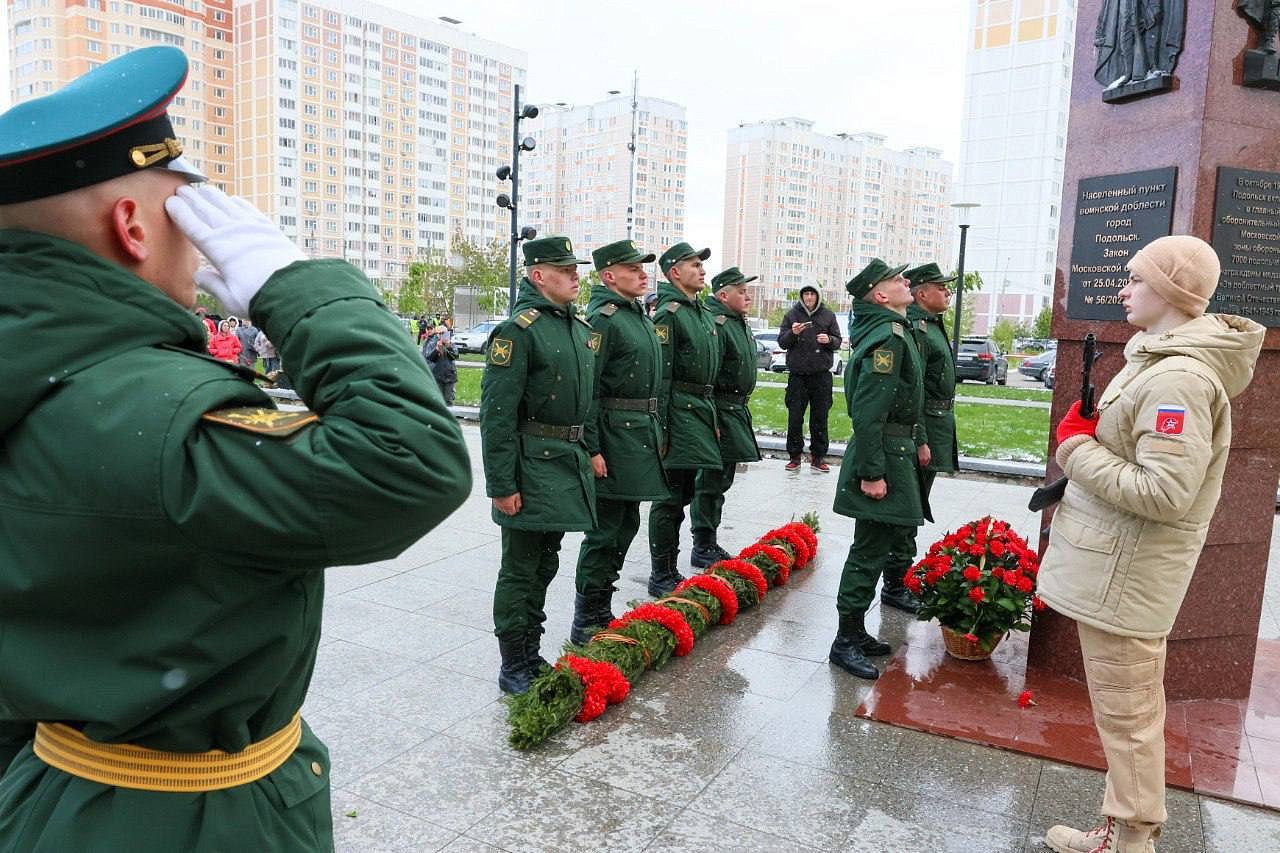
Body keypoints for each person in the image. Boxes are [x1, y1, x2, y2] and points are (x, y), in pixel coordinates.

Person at [0, 46, 471, 852]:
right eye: (190, 212)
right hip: (179, 819)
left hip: (49, 785)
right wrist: (296, 286)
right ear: (134, 225)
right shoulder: (148, 408)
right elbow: (411, 460)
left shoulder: (31, 372)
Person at [1039, 236, 1262, 853]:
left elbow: (1164, 493)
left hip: (1127, 577)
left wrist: (1077, 449)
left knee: (1129, 717)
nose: (1122, 289)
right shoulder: (1157, 363)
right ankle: (1123, 830)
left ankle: (1131, 840)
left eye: (1135, 279)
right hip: (1120, 570)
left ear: (1171, 291)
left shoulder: (1179, 382)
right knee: (1127, 713)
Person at [480, 235, 596, 694]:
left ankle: (532, 653)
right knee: (520, 567)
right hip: (530, 466)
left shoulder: (574, 327)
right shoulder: (519, 331)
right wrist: (501, 484)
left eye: (575, 269)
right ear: (538, 276)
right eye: (565, 270)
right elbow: (497, 415)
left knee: (546, 562)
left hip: (565, 463)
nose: (574, 277)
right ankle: (513, 663)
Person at [829, 259, 930, 680]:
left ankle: (856, 632)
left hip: (896, 450)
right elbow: (869, 415)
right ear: (880, 295)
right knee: (868, 550)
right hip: (882, 455)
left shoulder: (895, 331)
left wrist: (919, 437)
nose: (907, 282)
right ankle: (845, 640)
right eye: (897, 279)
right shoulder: (885, 340)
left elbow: (907, 398)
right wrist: (872, 472)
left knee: (877, 544)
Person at [570, 239, 669, 644]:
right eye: (634, 268)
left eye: (644, 268)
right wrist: (592, 447)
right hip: (612, 435)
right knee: (606, 526)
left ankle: (602, 605)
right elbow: (589, 390)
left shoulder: (636, 316)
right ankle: (586, 617)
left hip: (637, 434)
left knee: (626, 521)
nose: (644, 273)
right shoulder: (605, 319)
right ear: (609, 276)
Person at [649, 241, 721, 594]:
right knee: (670, 497)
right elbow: (661, 377)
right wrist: (661, 430)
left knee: (684, 492)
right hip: (677, 413)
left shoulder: (699, 311)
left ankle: (670, 568)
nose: (702, 269)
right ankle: (661, 572)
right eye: (694, 264)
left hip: (697, 412)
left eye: (701, 264)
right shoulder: (670, 314)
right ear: (674, 272)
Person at [891, 261, 959, 615]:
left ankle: (898, 577)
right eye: (941, 287)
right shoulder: (916, 327)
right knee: (910, 506)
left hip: (936, 420)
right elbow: (912, 389)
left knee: (916, 502)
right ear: (921, 293)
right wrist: (919, 438)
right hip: (924, 424)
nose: (947, 292)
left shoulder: (931, 324)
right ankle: (895, 582)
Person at [689, 267, 762, 567]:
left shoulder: (736, 322)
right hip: (720, 409)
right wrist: (712, 420)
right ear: (723, 295)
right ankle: (703, 543)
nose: (747, 296)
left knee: (722, 478)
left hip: (735, 409)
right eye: (741, 291)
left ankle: (710, 538)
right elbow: (711, 375)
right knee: (710, 479)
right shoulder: (718, 324)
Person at [778, 284, 842, 472]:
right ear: (801, 296)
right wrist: (793, 333)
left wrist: (829, 340)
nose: (808, 297)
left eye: (812, 294)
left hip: (821, 376)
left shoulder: (828, 315)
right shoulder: (792, 315)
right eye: (805, 294)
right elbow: (782, 342)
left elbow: (838, 341)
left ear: (818, 296)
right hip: (797, 376)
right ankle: (794, 456)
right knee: (795, 417)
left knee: (820, 418)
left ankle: (818, 457)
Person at [423, 323, 459, 405]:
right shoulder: (433, 344)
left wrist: (448, 346)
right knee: (438, 400)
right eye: (439, 333)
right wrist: (437, 350)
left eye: (444, 333)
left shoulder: (451, 344)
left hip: (449, 375)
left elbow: (455, 356)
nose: (442, 335)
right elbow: (430, 358)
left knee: (448, 399)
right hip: (437, 375)